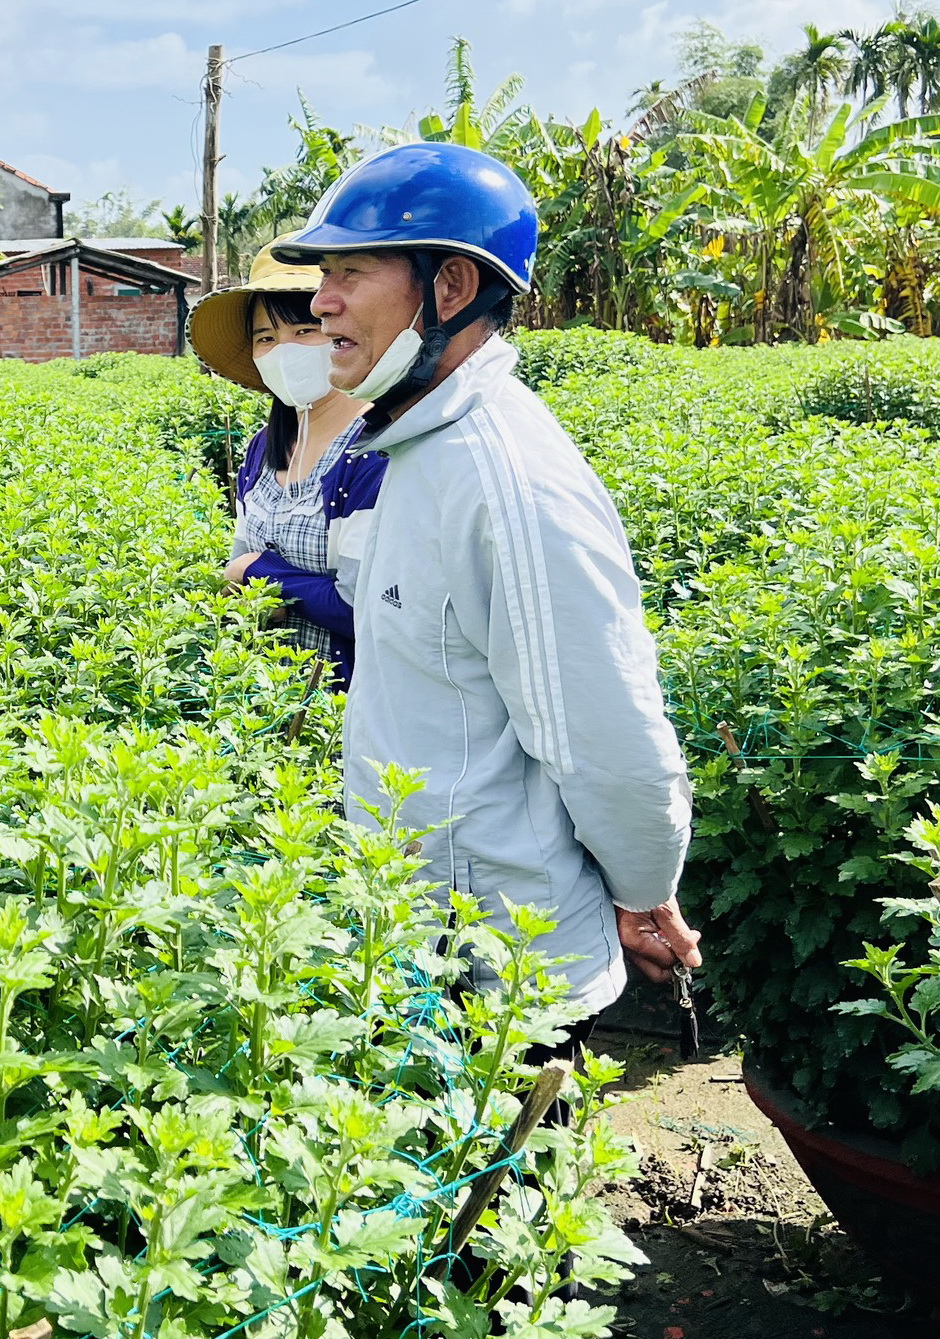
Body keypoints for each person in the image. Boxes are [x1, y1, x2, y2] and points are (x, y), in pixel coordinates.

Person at [269, 143, 702, 1038]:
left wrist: (643, 888)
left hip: (502, 979)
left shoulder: (505, 477)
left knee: (502, 1177)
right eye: (324, 274)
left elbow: (609, 735)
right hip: (421, 941)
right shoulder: (417, 446)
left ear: (452, 288)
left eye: (351, 271)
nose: (321, 301)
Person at [187, 237, 385, 687]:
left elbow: (363, 609)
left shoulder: (370, 453)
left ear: (337, 331)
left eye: (303, 331)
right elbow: (235, 579)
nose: (284, 350)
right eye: (266, 338)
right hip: (261, 699)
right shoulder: (263, 448)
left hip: (340, 708)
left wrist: (261, 573)